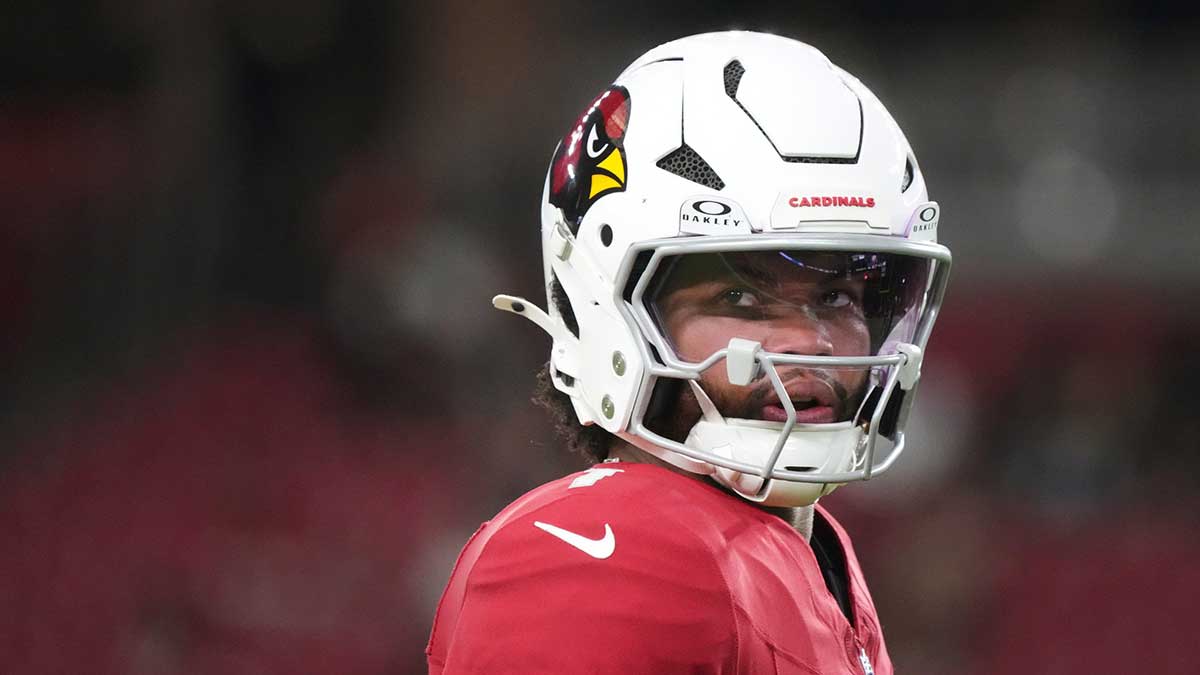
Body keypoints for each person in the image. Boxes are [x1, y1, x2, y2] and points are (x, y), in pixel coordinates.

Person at [427, 31, 951, 674]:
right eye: (739, 296)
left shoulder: (809, 544)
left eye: (837, 297)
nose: (810, 341)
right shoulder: (601, 547)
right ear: (604, 301)